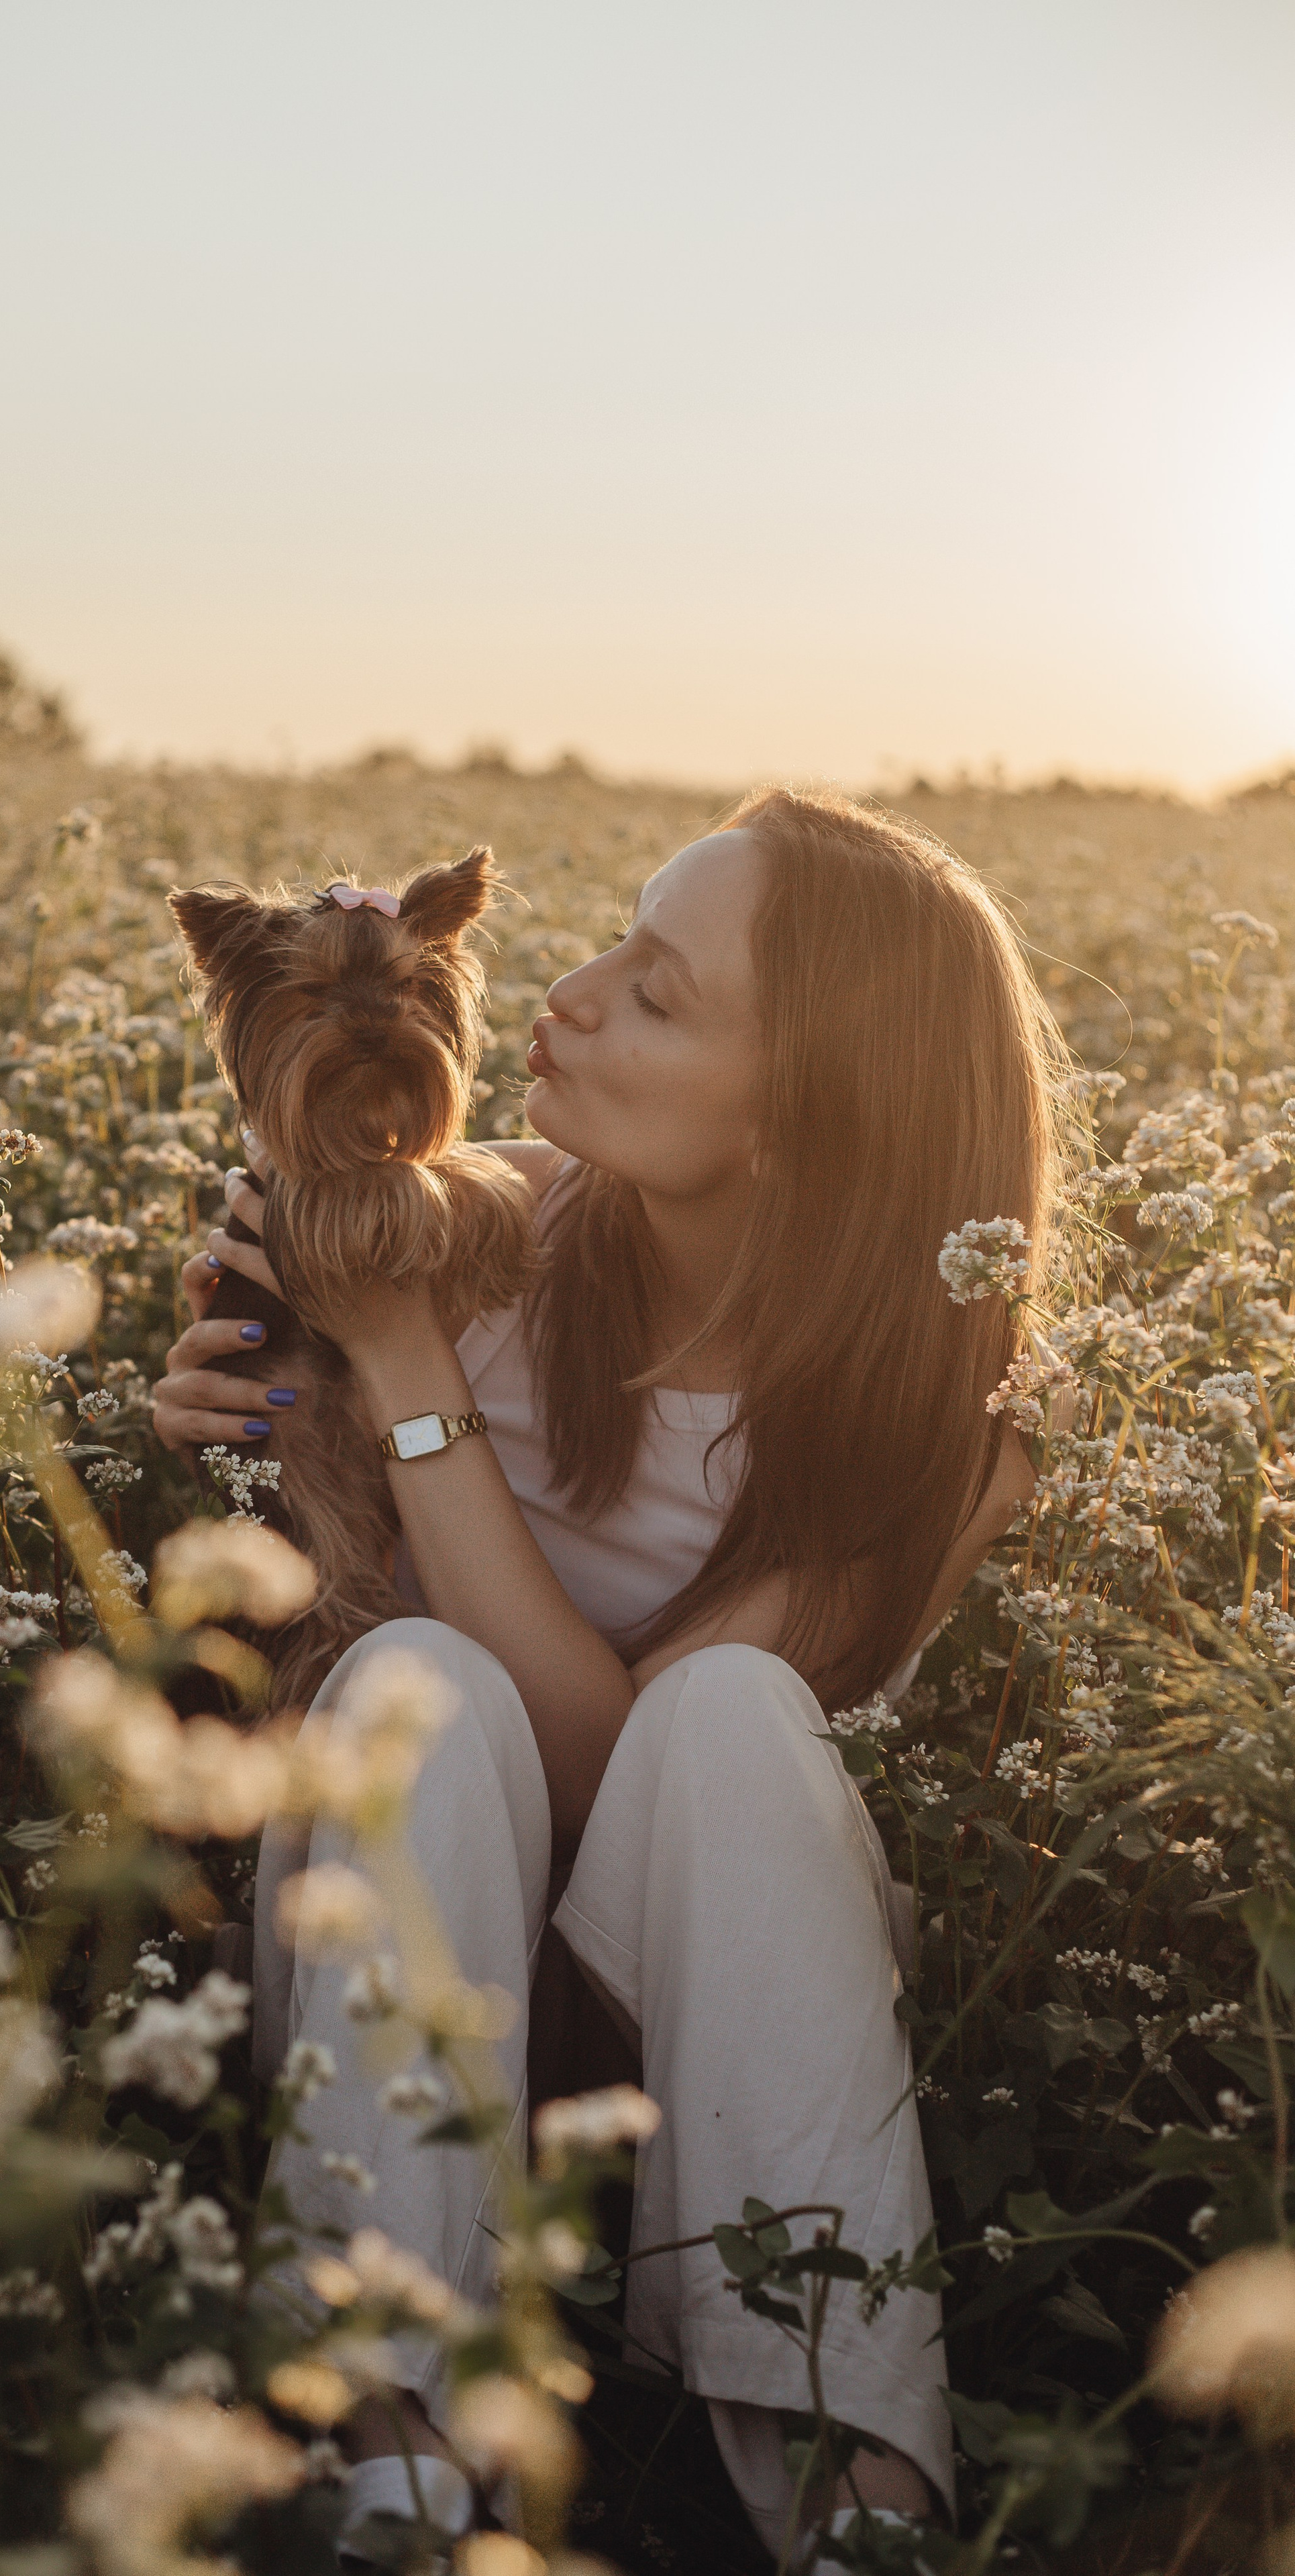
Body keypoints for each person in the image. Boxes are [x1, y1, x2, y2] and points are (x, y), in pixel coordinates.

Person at [151, 786, 1063, 2561]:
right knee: (421, 1682)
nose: (566, 998)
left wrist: (409, 1373)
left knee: (724, 1717)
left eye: (655, 994)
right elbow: (285, 1356)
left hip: (701, 2042)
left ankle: (854, 2488)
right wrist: (237, 1396)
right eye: (615, 945)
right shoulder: (462, 1229)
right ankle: (389, 2441)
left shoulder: (942, 1412)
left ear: (800, 1118)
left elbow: (615, 1775)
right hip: (400, 1963)